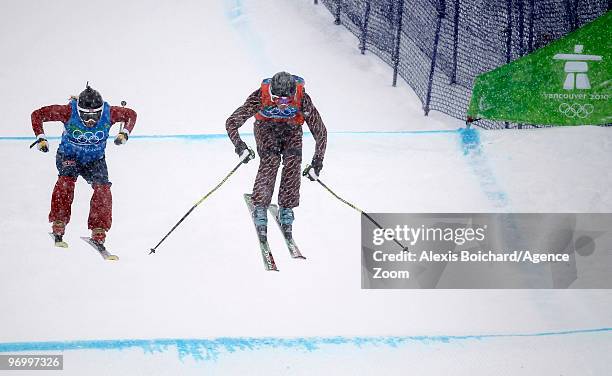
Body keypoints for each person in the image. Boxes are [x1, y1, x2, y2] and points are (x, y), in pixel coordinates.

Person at [31, 84, 137, 246]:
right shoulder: (68, 112)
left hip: (95, 160)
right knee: (66, 182)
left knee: (103, 189)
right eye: (85, 115)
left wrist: (125, 133)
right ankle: (59, 221)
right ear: (78, 110)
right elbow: (38, 114)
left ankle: (99, 228)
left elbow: (131, 114)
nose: (90, 120)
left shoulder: (110, 113)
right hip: (69, 155)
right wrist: (41, 137)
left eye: (95, 115)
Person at [226, 71, 327, 240]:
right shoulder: (260, 97)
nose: (283, 104)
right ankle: (260, 205)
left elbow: (320, 132)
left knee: (293, 161)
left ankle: (286, 207)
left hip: (291, 129)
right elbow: (232, 122)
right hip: (266, 128)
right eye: (278, 99)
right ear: (271, 94)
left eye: (287, 100)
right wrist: (239, 146)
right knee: (270, 161)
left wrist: (317, 162)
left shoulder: (302, 99)